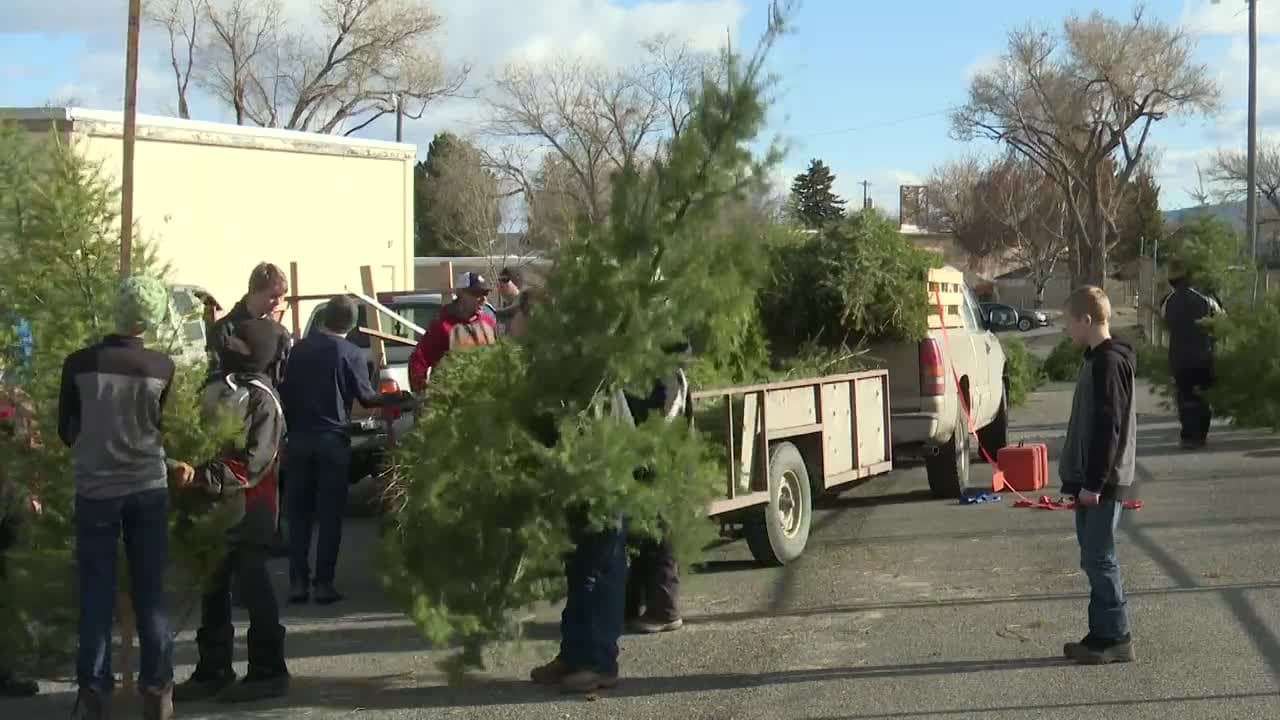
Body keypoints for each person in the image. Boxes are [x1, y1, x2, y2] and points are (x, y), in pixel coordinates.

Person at [59, 275, 191, 720]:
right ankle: (157, 691)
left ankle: (94, 692)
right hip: (147, 486)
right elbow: (158, 426)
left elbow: (66, 431)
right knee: (150, 593)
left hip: (95, 489)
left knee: (96, 592)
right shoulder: (162, 367)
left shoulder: (79, 364)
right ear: (151, 319)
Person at [174, 319, 291, 704]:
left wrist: (203, 477)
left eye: (241, 340)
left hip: (251, 507)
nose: (231, 345)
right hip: (214, 506)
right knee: (213, 587)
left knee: (254, 584)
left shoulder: (261, 399)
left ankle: (268, 669)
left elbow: (255, 462)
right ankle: (214, 669)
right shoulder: (215, 388)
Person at [280, 296, 415, 605]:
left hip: (299, 438)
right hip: (332, 439)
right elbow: (366, 399)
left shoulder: (298, 350)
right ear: (353, 324)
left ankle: (298, 583)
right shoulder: (350, 353)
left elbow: (285, 392)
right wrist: (397, 399)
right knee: (329, 516)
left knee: (298, 515)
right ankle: (323, 584)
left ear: (326, 317)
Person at [525, 289, 628, 694]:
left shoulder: (579, 366)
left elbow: (579, 429)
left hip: (603, 480)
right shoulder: (556, 363)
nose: (512, 324)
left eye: (518, 317)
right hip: (578, 484)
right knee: (580, 571)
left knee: (600, 572)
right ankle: (574, 654)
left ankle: (600, 664)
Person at [1059, 286, 1138, 665]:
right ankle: (1100, 632)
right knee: (1093, 557)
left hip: (1103, 482)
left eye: (1067, 322)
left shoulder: (1108, 363)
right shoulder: (1096, 359)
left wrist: (1093, 484)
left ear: (1086, 320)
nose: (1065, 330)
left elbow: (1110, 428)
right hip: (1093, 481)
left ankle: (1116, 636)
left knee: (1100, 556)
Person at [622, 342, 692, 635]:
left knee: (660, 534)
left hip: (661, 462)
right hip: (643, 460)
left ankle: (664, 609)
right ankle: (632, 604)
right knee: (640, 533)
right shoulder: (646, 373)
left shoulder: (668, 377)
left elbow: (666, 419)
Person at [1160, 262, 1223, 450]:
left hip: (1179, 357)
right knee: (1203, 396)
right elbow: (1221, 321)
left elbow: (1165, 323)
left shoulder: (1168, 300)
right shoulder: (1208, 299)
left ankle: (1189, 435)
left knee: (1185, 396)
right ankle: (1201, 434)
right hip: (1204, 354)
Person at [407, 272, 498, 392]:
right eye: (476, 294)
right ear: (460, 293)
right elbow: (419, 360)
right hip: (451, 401)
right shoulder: (442, 326)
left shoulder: (489, 323)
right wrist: (422, 392)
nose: (483, 300)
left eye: (485, 294)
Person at [207, 262, 293, 388]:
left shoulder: (280, 334)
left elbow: (284, 382)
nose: (278, 303)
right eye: (273, 296)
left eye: (282, 297)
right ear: (255, 292)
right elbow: (213, 379)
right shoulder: (224, 330)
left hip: (268, 405)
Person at [492, 267, 524, 334]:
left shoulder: (524, 304)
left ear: (516, 283)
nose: (501, 284)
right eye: (499, 280)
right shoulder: (505, 305)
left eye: (504, 280)